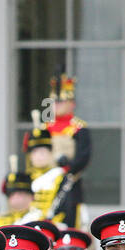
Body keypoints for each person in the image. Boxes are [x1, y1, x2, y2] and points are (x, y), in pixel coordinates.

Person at [43, 73, 92, 229]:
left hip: (69, 182)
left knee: (70, 220)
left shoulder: (78, 128)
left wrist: (69, 167)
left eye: (61, 101)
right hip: (46, 183)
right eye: (54, 101)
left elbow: (84, 155)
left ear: (72, 103)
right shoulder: (44, 128)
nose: (56, 105)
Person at [0, 159, 41, 226]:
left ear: (31, 196)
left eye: (20, 194)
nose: (15, 198)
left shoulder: (39, 218)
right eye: (11, 194)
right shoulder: (1, 221)